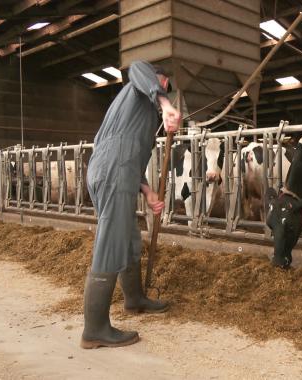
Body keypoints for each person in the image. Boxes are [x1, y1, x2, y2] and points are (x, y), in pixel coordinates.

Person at [81, 61, 181, 349]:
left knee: (127, 236)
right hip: (114, 168)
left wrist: (148, 192)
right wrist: (164, 104)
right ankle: (95, 328)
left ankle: (134, 299)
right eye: (165, 87)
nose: (165, 91)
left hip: (118, 170)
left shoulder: (143, 117)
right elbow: (137, 66)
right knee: (112, 241)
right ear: (161, 82)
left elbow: (134, 160)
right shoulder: (139, 86)